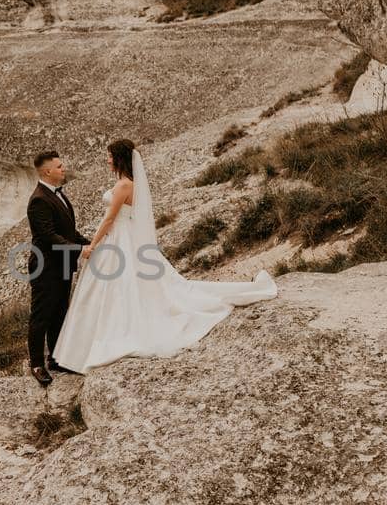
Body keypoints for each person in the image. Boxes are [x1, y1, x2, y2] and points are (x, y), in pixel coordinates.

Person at [50, 138, 276, 373]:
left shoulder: (123, 186)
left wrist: (92, 245)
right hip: (121, 237)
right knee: (121, 286)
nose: (107, 160)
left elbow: (109, 219)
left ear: (119, 158)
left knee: (117, 287)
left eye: (109, 156)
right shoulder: (129, 183)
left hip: (117, 239)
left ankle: (95, 343)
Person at [25, 150, 90, 387]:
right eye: (60, 166)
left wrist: (88, 242)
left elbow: (67, 232)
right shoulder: (39, 199)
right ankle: (36, 364)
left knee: (60, 311)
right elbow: (48, 236)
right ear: (47, 171)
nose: (64, 169)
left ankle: (56, 358)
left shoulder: (58, 194)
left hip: (62, 264)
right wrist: (80, 250)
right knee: (41, 315)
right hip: (45, 266)